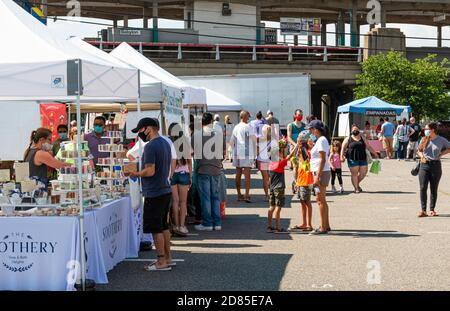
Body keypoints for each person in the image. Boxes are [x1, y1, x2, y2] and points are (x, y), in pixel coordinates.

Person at [129, 117, 173, 271]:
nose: (140, 133)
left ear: (148, 128)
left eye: (140, 130)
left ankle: (161, 261)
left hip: (154, 192)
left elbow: (150, 170)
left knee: (156, 229)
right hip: (164, 189)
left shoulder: (150, 146)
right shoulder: (165, 143)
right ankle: (167, 258)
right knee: (163, 226)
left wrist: (135, 173)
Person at [195, 113, 224, 231]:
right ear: (212, 121)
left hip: (203, 168)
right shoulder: (218, 134)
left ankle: (207, 223)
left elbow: (191, 150)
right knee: (215, 196)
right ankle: (217, 223)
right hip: (216, 168)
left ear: (201, 122)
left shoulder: (197, 134)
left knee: (206, 197)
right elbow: (223, 152)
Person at [416, 122, 450, 218]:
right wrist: (422, 156)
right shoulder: (424, 139)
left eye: (427, 129)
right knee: (423, 188)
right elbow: (419, 151)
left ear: (433, 130)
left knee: (433, 189)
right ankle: (423, 210)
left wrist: (441, 154)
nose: (425, 131)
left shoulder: (441, 140)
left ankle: (432, 210)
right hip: (424, 165)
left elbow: (449, 147)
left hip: (436, 166)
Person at [267, 139, 298, 233]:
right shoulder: (280, 163)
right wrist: (296, 146)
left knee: (271, 207)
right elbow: (289, 156)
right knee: (278, 207)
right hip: (279, 187)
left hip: (272, 188)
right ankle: (278, 227)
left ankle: (269, 226)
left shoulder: (271, 164)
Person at [307, 120, 331, 235]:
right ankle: (326, 224)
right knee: (322, 200)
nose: (309, 131)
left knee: (320, 200)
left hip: (319, 172)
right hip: (319, 172)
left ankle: (323, 227)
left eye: (311, 129)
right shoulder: (320, 140)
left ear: (316, 129)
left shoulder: (321, 140)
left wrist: (317, 177)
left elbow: (322, 159)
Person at [168, 123, 192, 236]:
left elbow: (173, 163)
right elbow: (189, 162)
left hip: (174, 175)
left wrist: (171, 175)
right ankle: (182, 226)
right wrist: (190, 176)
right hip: (184, 174)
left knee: (175, 201)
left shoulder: (171, 144)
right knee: (183, 202)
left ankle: (176, 225)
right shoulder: (186, 143)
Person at [341, 124, 378, 193]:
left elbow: (368, 146)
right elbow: (343, 148)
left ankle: (356, 184)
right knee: (354, 174)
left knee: (363, 173)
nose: (355, 131)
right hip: (352, 158)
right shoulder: (348, 138)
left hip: (362, 157)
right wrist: (341, 156)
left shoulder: (362, 137)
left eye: (356, 130)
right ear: (351, 131)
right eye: (354, 130)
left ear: (359, 130)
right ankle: (356, 188)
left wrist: (375, 153)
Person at [230, 110, 256, 203]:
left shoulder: (236, 127)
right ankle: (247, 195)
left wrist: (234, 151)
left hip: (238, 152)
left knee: (238, 173)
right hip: (246, 152)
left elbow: (231, 142)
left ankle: (239, 194)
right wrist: (254, 154)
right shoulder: (248, 127)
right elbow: (253, 140)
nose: (249, 118)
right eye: (248, 116)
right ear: (245, 117)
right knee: (247, 174)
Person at [290, 131, 314, 232]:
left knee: (307, 202)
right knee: (302, 202)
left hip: (306, 180)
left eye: (299, 140)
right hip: (301, 179)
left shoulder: (305, 150)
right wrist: (296, 181)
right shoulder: (301, 150)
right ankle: (304, 223)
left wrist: (299, 155)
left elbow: (306, 165)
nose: (297, 141)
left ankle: (309, 224)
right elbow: (297, 166)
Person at [287, 109, 306, 193]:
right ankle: (295, 182)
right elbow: (289, 137)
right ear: (295, 115)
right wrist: (295, 145)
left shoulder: (304, 125)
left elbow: (307, 136)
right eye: (298, 115)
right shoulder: (290, 125)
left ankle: (302, 182)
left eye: (301, 115)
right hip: (294, 148)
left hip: (302, 148)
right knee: (295, 166)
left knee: (304, 166)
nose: (300, 116)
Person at [256, 124, 273, 201]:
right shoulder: (274, 140)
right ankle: (270, 194)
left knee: (265, 179)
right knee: (270, 178)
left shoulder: (259, 140)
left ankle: (267, 195)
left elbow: (257, 151)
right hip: (270, 161)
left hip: (262, 160)